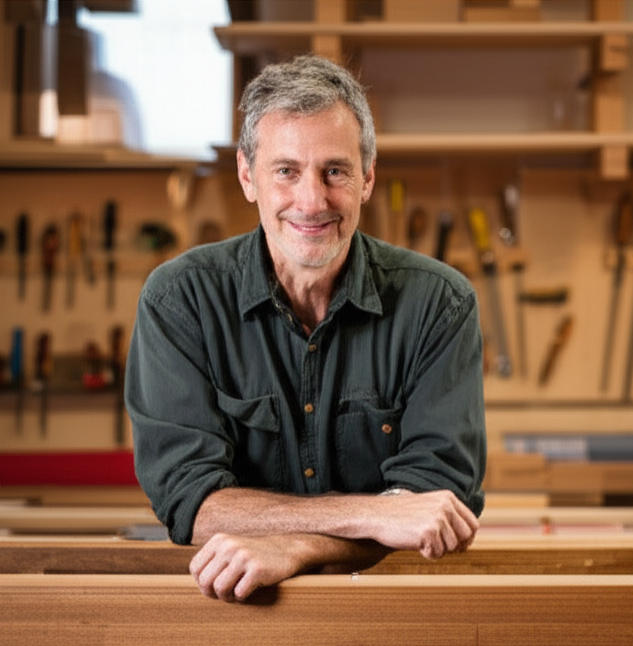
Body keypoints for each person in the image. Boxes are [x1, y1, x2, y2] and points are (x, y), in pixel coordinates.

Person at [125, 54, 487, 603]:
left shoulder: (439, 304)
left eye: (335, 171)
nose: (312, 201)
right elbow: (193, 505)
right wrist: (376, 513)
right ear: (249, 176)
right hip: (234, 617)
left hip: (392, 616)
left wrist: (295, 547)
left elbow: (435, 509)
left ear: (367, 177)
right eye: (286, 170)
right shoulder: (180, 301)